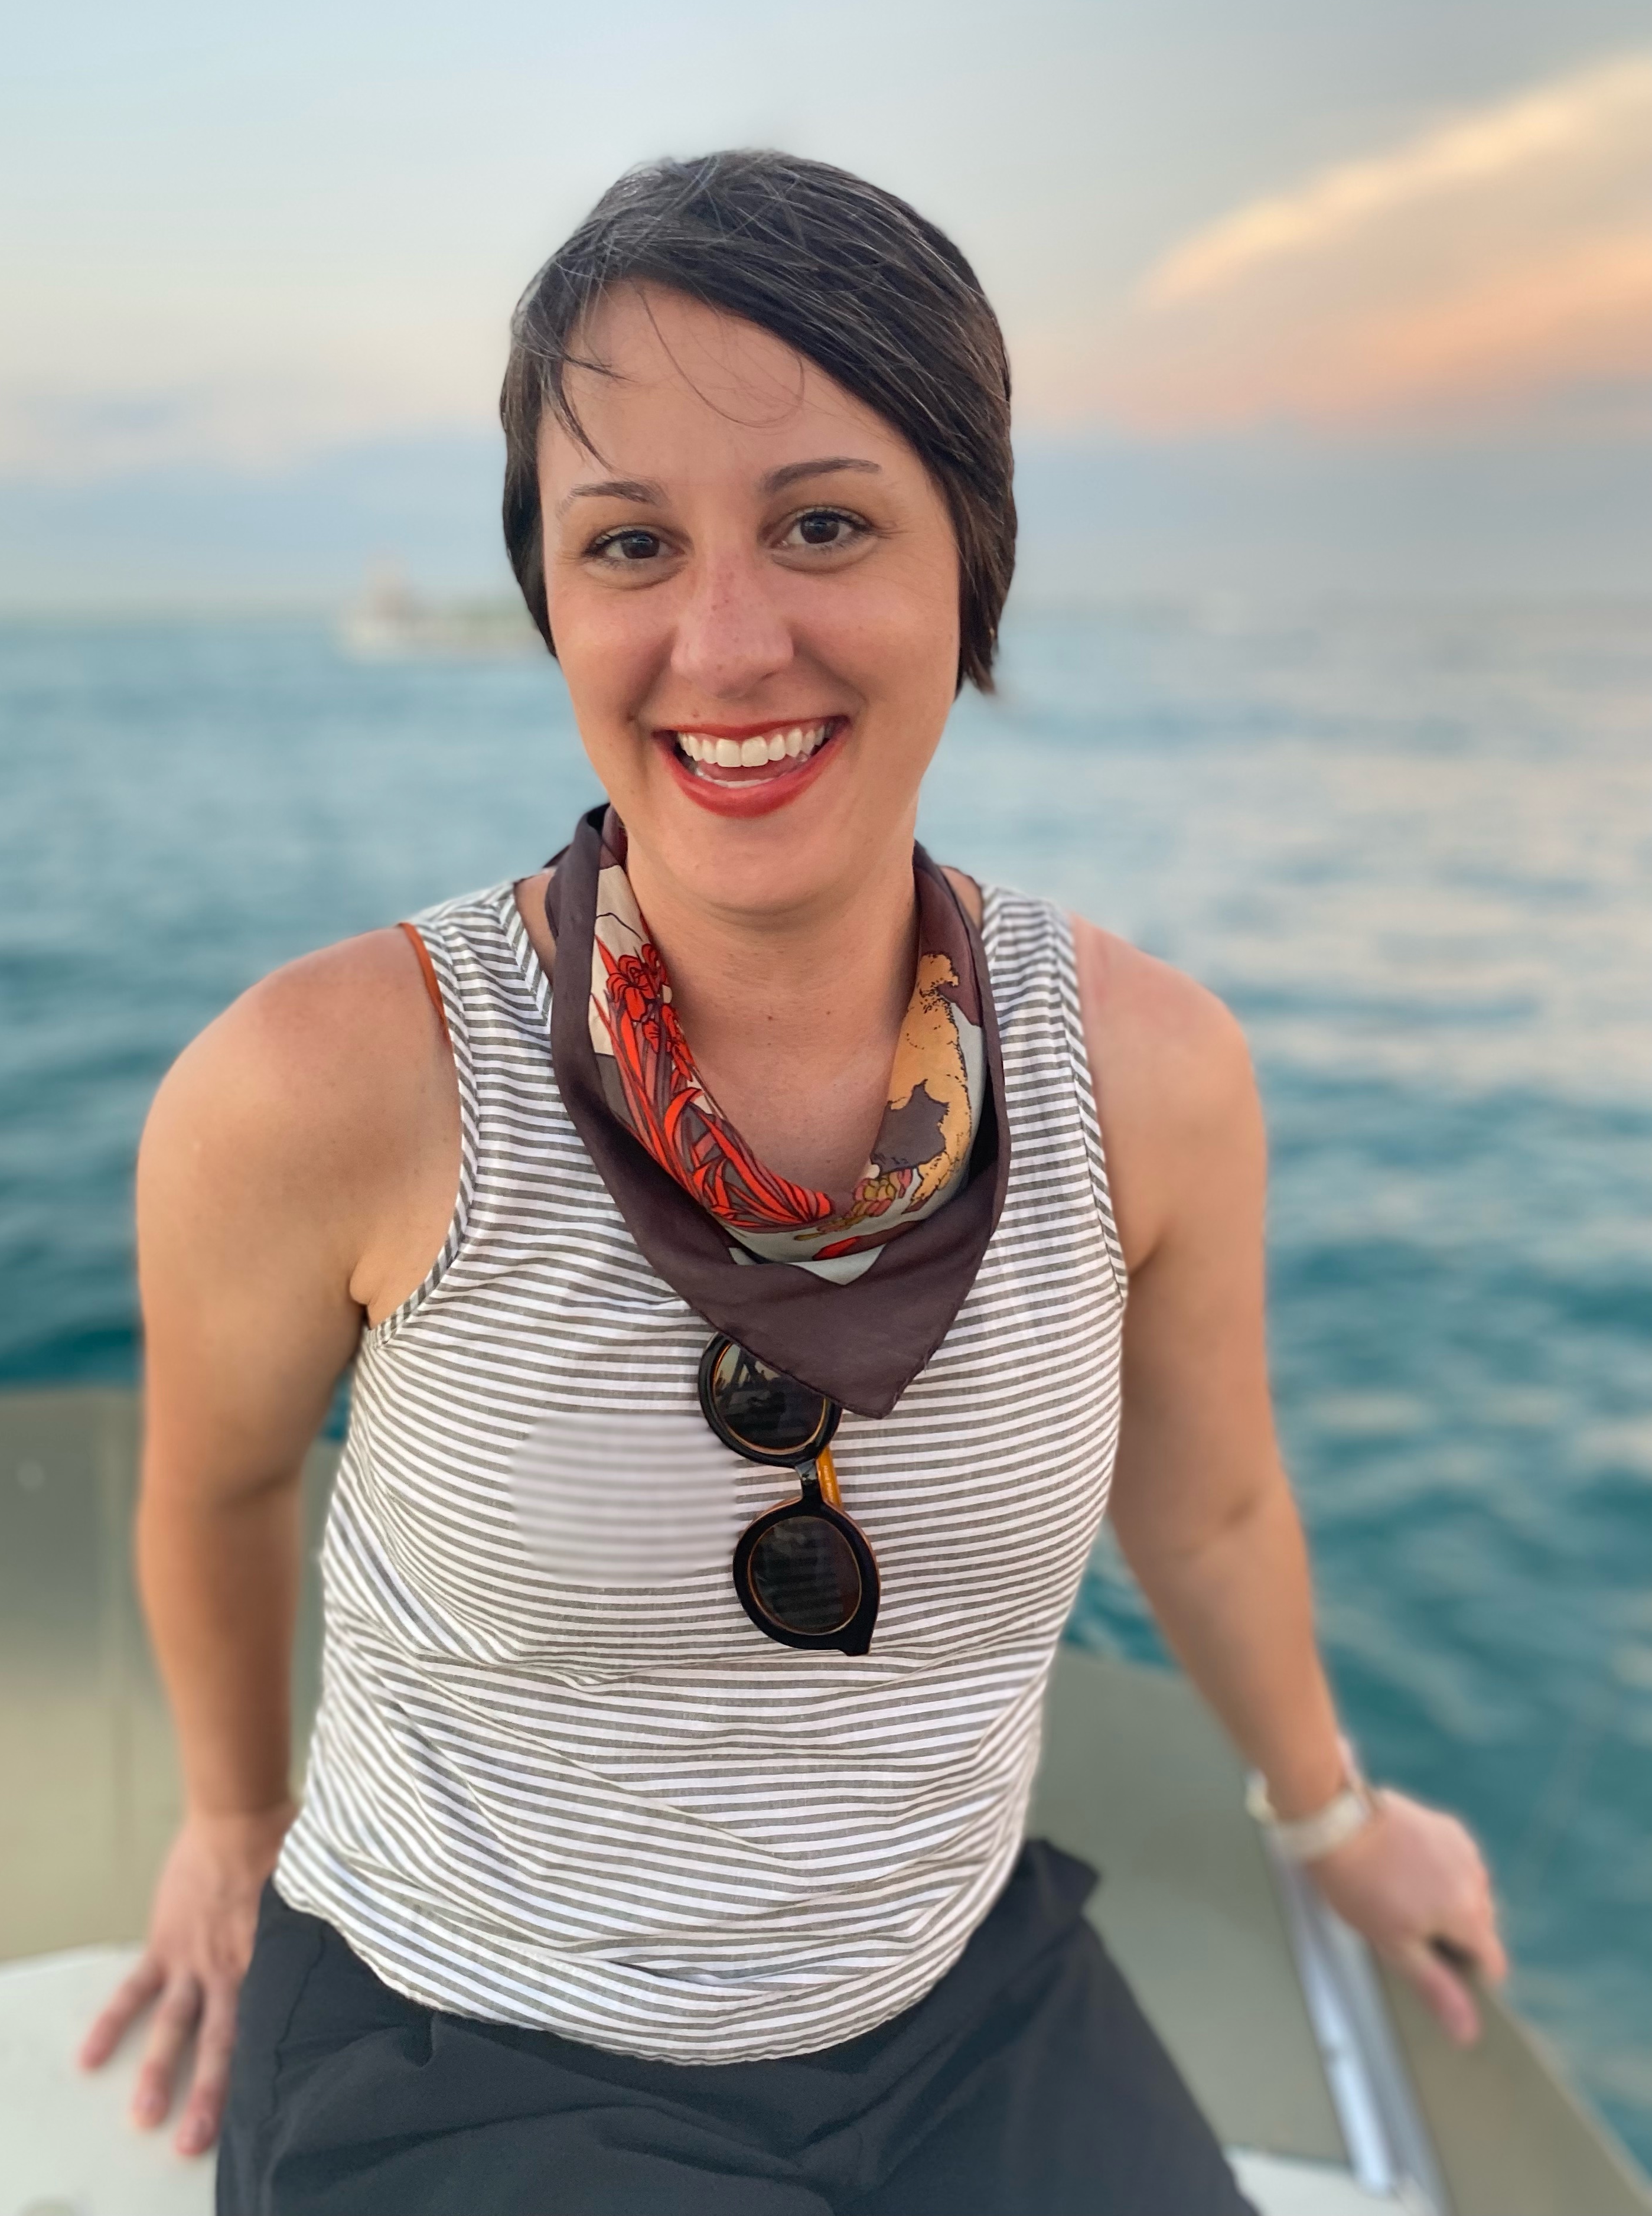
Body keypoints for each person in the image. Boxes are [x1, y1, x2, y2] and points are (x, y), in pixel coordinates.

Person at [80, 151, 1506, 2214]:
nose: (725, 641)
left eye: (824, 524)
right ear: (552, 600)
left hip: (951, 2002)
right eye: (630, 543)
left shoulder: (1149, 1076)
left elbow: (1202, 1502)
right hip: (463, 2034)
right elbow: (212, 1485)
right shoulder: (327, 1085)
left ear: (968, 567)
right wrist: (229, 1819)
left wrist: (1330, 1817)